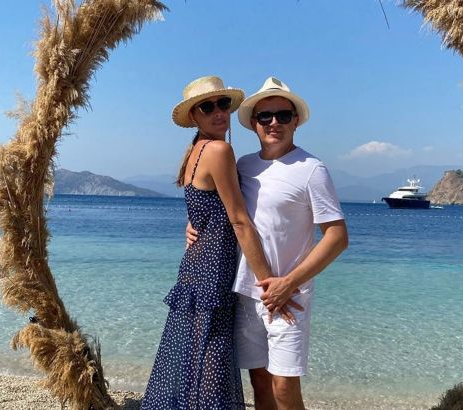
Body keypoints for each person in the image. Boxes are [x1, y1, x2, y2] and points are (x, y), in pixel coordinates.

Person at [189, 77, 348, 410]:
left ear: (296, 121)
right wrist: (192, 226)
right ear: (253, 123)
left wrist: (289, 283)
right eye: (265, 116)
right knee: (259, 382)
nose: (274, 122)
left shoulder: (312, 169)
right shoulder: (243, 165)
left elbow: (337, 236)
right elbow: (223, 208)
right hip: (246, 292)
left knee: (284, 388)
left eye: (283, 115)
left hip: (289, 296)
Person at [142, 76, 298, 410]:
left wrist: (192, 225)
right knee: (211, 365)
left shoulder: (196, 152)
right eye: (207, 107)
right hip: (213, 270)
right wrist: (269, 285)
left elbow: (202, 207)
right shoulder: (219, 149)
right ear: (194, 117)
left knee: (193, 362)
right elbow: (239, 221)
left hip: (196, 268)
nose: (219, 112)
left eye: (223, 104)